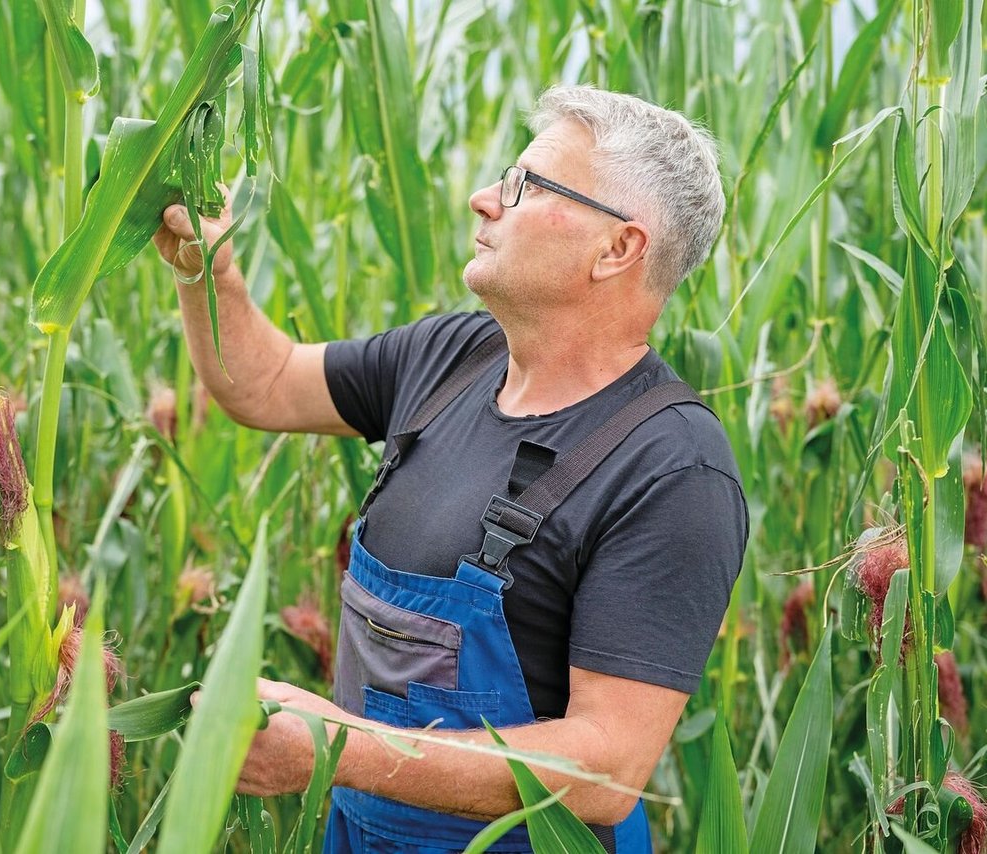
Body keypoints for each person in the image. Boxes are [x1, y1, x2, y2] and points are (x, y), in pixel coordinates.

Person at [154, 84, 747, 854]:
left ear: (619, 249)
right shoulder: (451, 359)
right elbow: (262, 384)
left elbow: (609, 768)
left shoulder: (673, 469)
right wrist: (211, 273)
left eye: (525, 187)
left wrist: (340, 750)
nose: (483, 200)